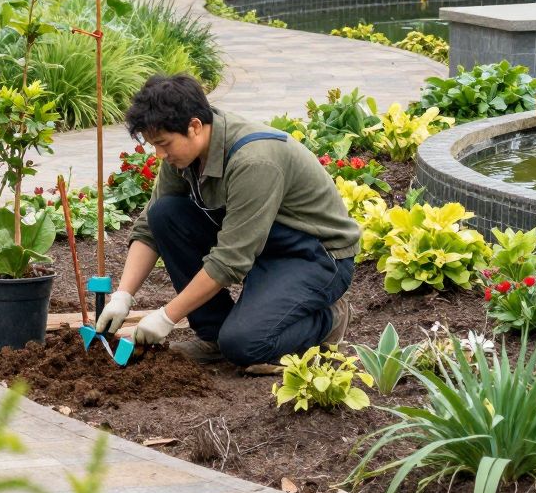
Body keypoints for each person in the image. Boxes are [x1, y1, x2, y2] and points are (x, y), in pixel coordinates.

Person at [96, 73, 360, 369]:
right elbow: (150, 228)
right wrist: (123, 295)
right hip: (263, 245)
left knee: (246, 345)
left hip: (315, 256)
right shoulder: (183, 155)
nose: (159, 154)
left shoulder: (253, 161)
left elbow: (230, 260)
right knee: (166, 214)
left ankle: (329, 318)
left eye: (163, 143)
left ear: (194, 126)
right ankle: (213, 336)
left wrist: (168, 316)